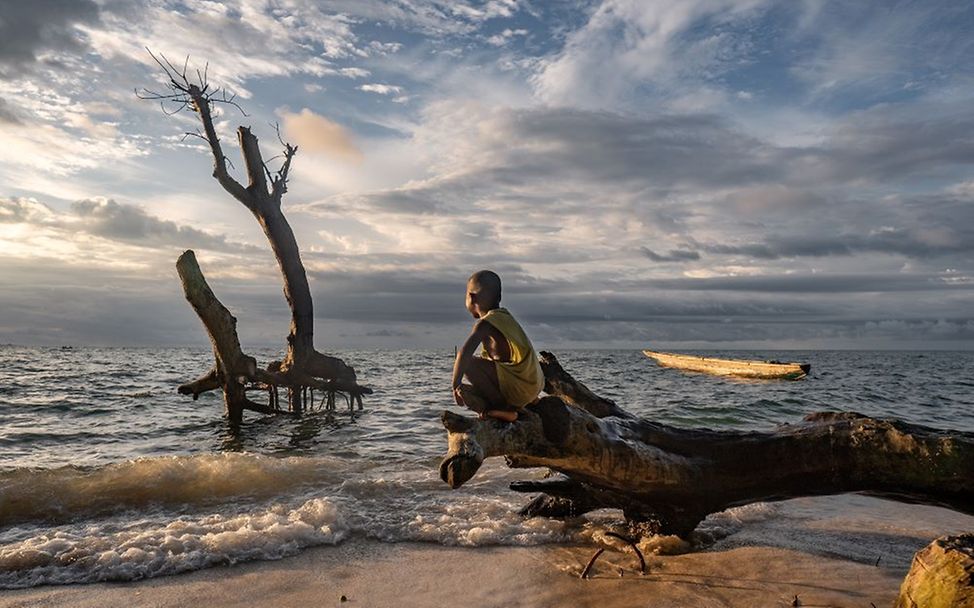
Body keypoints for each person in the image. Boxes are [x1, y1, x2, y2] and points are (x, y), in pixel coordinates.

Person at [451, 270, 544, 422]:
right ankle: (524, 403)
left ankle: (503, 410)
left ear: (471, 297)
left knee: (469, 364)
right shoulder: (505, 317)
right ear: (499, 297)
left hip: (519, 389)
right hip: (533, 386)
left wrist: (455, 386)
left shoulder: (485, 324)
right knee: (490, 365)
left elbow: (463, 354)